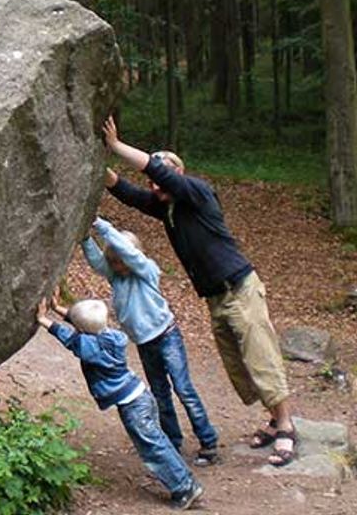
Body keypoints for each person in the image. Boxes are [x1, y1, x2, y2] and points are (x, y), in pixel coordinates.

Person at [101, 115, 295, 467]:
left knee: (261, 358)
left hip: (239, 289)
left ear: (179, 174)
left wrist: (116, 147)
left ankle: (285, 426)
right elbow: (127, 193)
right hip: (216, 298)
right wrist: (96, 164)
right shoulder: (169, 209)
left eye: (163, 174)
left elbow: (156, 172)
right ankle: (272, 418)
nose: (157, 183)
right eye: (156, 178)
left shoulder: (198, 193)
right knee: (241, 366)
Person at [36, 297, 204, 510]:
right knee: (157, 441)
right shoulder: (112, 336)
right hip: (142, 396)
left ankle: (183, 487)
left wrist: (43, 319)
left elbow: (70, 338)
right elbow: (84, 327)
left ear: (81, 329)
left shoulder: (93, 349)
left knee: (152, 447)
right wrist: (58, 308)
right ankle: (185, 479)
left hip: (133, 406)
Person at [81, 216, 220, 466]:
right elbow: (96, 262)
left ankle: (208, 441)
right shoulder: (117, 277)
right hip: (145, 344)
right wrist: (83, 237)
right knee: (160, 393)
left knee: (183, 389)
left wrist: (103, 227)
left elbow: (128, 254)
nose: (117, 267)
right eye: (114, 263)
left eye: (120, 262)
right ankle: (172, 441)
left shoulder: (147, 271)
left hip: (167, 337)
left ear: (132, 257)